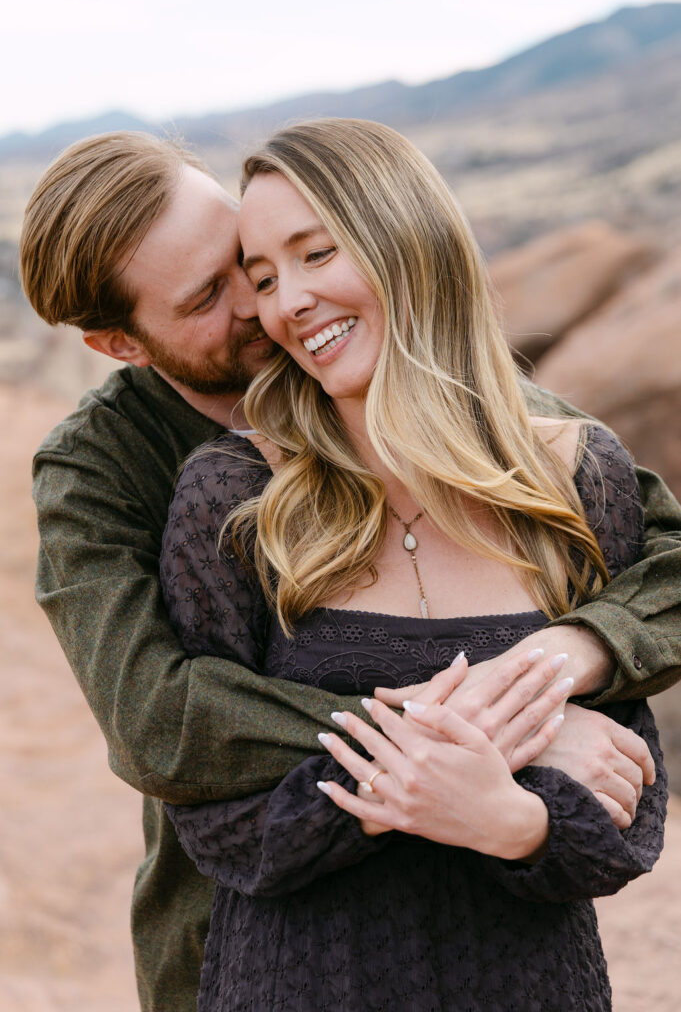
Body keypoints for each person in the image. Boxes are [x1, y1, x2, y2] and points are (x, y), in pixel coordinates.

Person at [19, 130, 680, 1012]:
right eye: (212, 294)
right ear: (123, 345)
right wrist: (489, 731)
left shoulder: (461, 406)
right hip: (238, 933)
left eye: (248, 262)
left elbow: (657, 550)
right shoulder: (104, 467)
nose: (268, 306)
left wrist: (571, 652)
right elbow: (160, 718)